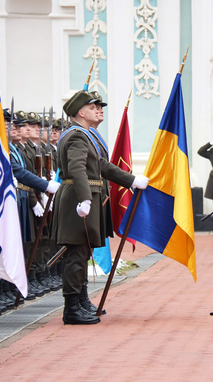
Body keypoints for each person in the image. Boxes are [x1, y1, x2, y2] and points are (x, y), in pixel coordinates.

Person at [52, 90, 148, 325]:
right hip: (79, 198)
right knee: (76, 252)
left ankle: (81, 300)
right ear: (80, 112)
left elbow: (101, 166)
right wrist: (84, 199)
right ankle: (72, 308)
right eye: (94, 107)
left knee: (83, 252)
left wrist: (131, 180)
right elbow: (77, 168)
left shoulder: (87, 135)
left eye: (100, 106)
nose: (99, 110)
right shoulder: (76, 136)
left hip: (87, 198)